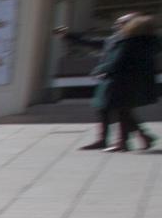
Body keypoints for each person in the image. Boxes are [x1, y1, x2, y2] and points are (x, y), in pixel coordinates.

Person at [59, 14, 159, 151]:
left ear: (133, 24)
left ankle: (122, 142)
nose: (116, 26)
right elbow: (93, 42)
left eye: (121, 23)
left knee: (121, 110)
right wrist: (68, 36)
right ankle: (118, 139)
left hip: (124, 81)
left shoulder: (137, 41)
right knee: (107, 109)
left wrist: (103, 70)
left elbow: (119, 60)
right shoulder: (118, 38)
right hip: (114, 80)